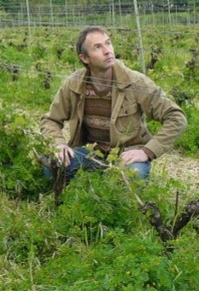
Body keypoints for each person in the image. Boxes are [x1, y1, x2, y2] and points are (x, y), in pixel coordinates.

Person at [40, 26, 187, 181]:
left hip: (126, 155)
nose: (107, 51)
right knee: (53, 166)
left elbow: (176, 117)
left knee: (133, 177)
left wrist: (147, 151)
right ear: (84, 58)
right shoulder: (74, 84)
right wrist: (58, 144)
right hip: (90, 153)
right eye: (98, 47)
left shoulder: (136, 82)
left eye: (108, 43)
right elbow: (50, 120)